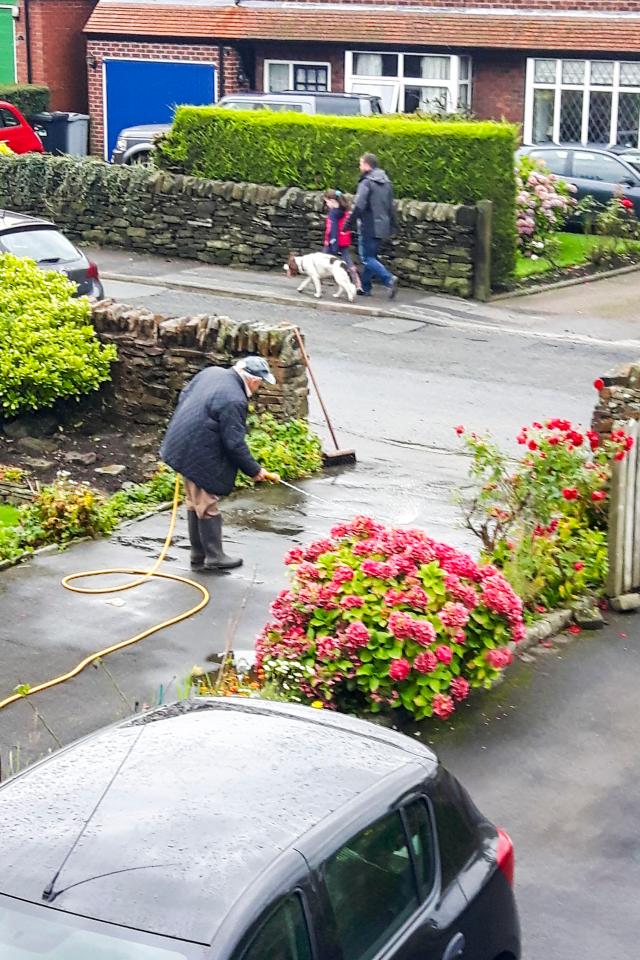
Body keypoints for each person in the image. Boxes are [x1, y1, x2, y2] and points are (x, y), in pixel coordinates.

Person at [160, 357, 280, 572]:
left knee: (193, 501)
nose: (260, 387)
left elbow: (184, 395)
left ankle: (199, 553)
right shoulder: (235, 399)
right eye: (260, 382)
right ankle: (214, 556)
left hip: (181, 442)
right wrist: (255, 471)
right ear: (252, 380)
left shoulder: (212, 372)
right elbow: (234, 444)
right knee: (206, 503)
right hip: (196, 451)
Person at [348, 152, 398, 299]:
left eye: (360, 163)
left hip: (368, 225)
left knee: (366, 258)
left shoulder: (367, 182)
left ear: (366, 165)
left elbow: (359, 205)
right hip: (382, 226)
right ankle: (365, 287)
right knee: (372, 257)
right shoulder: (387, 182)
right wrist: (394, 226)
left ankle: (388, 279)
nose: (359, 166)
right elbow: (391, 207)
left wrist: (348, 224)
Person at [323, 189, 362, 291]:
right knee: (347, 260)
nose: (327, 204)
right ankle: (357, 283)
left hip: (333, 240)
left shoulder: (334, 213)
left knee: (322, 258)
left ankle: (318, 280)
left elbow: (333, 228)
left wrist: (333, 242)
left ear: (332, 201)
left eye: (327, 202)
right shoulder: (344, 210)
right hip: (344, 238)